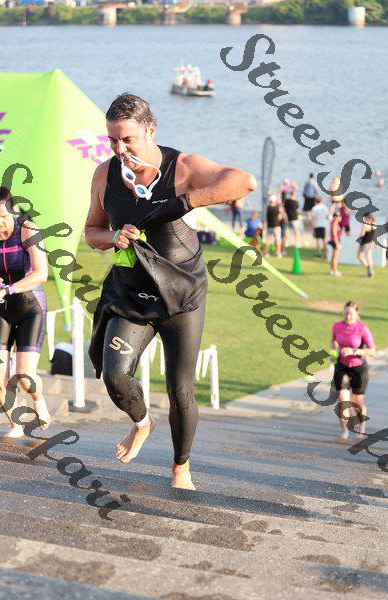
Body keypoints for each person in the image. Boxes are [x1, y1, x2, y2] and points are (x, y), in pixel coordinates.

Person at [86, 93, 256, 490]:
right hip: (133, 293)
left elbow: (243, 182)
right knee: (115, 376)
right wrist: (114, 236)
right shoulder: (105, 174)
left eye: (127, 139)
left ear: (150, 130)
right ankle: (142, 423)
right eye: (112, 139)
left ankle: (181, 467)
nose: (119, 149)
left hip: (182, 292)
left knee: (180, 389)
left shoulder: (183, 167)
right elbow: (91, 231)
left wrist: (183, 202)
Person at [0, 187, 49, 437]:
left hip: (29, 307)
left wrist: (7, 290)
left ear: (13, 211)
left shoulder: (28, 230)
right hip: (1, 308)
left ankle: (38, 400)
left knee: (24, 377)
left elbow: (41, 273)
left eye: (3, 216)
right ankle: (16, 424)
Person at [331, 301, 375, 440]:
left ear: (357, 313)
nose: (348, 316)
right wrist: (333, 355)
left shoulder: (362, 328)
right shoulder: (337, 326)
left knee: (357, 404)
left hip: (359, 369)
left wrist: (354, 351)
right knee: (343, 402)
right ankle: (345, 431)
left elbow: (372, 350)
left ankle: (361, 427)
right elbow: (333, 342)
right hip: (342, 366)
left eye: (350, 313)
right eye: (345, 313)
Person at [357, 213, 376, 278]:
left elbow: (362, 234)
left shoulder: (365, 224)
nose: (364, 218)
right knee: (369, 257)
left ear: (367, 217)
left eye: (365, 217)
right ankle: (371, 272)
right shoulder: (373, 224)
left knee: (360, 256)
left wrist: (358, 239)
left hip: (365, 242)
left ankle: (369, 270)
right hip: (371, 243)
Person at [328, 212, 342, 276]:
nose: (340, 218)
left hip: (334, 241)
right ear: (335, 217)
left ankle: (332, 270)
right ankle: (335, 271)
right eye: (339, 216)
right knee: (335, 257)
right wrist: (337, 244)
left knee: (333, 256)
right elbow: (335, 235)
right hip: (335, 241)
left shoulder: (334, 223)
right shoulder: (334, 224)